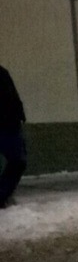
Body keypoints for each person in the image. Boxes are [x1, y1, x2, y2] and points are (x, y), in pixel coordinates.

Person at [0, 65, 26, 208]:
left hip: (10, 124)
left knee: (18, 161)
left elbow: (12, 96)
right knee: (18, 160)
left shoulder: (2, 73)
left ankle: (2, 194)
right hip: (9, 124)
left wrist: (20, 114)